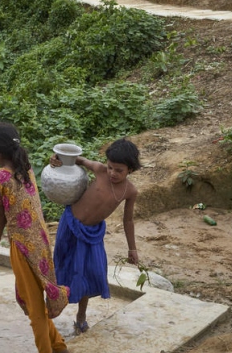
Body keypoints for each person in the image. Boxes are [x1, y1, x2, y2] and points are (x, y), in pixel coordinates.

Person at [0, 123, 69, 353]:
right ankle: (58, 346)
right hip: (40, 242)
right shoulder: (25, 168)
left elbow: (1, 213)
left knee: (35, 310)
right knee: (35, 301)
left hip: (21, 247)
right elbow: (18, 207)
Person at [49, 139, 139, 335]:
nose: (113, 173)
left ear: (130, 170)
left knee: (89, 273)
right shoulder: (99, 170)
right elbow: (77, 159)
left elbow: (128, 221)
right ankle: (51, 307)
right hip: (70, 224)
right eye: (110, 168)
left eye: (119, 171)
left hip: (92, 234)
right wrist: (57, 159)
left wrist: (132, 248)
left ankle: (81, 316)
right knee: (61, 265)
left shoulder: (130, 191)